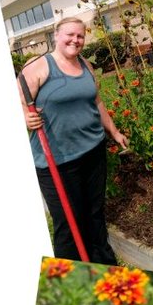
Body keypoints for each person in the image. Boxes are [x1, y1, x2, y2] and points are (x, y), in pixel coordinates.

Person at [19, 16, 128, 263]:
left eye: (80, 36)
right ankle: (71, 275)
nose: (75, 40)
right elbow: (18, 101)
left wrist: (114, 131)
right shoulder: (38, 67)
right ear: (56, 35)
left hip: (93, 150)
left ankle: (103, 262)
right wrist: (25, 116)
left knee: (94, 213)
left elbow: (97, 101)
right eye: (70, 34)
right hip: (57, 160)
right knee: (68, 224)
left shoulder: (85, 65)